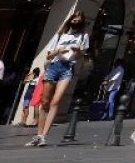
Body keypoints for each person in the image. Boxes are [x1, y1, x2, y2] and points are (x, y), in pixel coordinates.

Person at [28, 9, 90, 147]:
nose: (76, 21)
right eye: (74, 19)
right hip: (54, 65)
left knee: (55, 101)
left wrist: (77, 51)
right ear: (70, 20)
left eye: (79, 20)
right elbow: (49, 56)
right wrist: (59, 51)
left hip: (68, 68)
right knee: (45, 102)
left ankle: (44, 136)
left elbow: (80, 56)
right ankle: (38, 134)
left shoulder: (83, 36)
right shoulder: (60, 34)